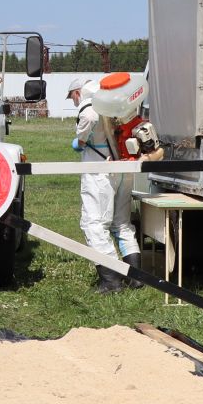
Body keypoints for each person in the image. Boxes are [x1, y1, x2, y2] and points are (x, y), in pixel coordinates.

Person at [74, 73, 153, 293]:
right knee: (121, 224)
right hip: (123, 167)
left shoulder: (90, 104)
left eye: (73, 97)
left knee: (94, 224)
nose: (74, 101)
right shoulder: (119, 102)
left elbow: (89, 118)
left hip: (100, 172)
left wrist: (81, 139)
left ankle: (111, 280)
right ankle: (135, 277)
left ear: (79, 92)